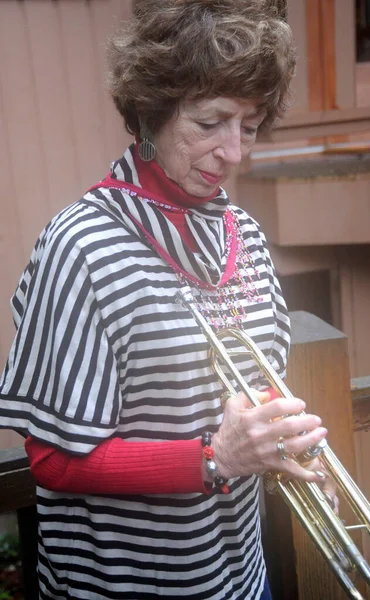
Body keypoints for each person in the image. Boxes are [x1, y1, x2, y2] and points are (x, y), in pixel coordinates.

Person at [0, 1, 336, 598]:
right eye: (210, 123)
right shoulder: (81, 245)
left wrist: (291, 447)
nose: (234, 152)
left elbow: (257, 397)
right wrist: (212, 459)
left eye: (250, 126)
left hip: (241, 580)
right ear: (151, 113)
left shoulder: (245, 235)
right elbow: (50, 459)